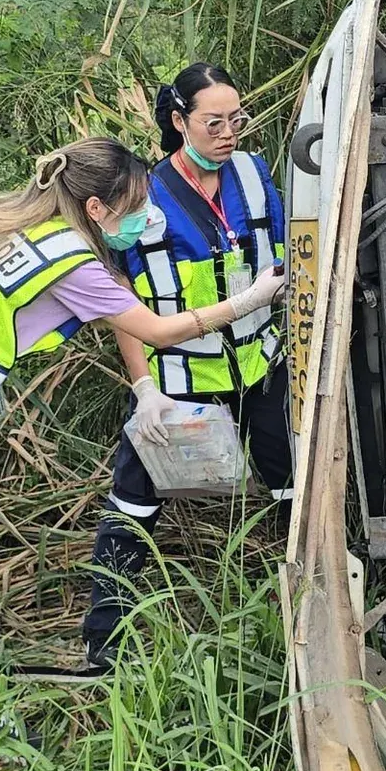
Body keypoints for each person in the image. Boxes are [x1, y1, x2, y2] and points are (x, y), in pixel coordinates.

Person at [0, 137, 285, 756]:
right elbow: (157, 329)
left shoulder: (5, 223)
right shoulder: (71, 258)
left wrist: (144, 385)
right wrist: (248, 300)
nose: (144, 217)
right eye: (134, 205)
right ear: (99, 209)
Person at [80, 63, 294, 669]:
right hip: (178, 378)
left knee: (291, 491)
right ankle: (104, 650)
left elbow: (283, 256)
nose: (230, 132)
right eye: (213, 121)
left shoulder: (253, 173)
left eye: (237, 118)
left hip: (259, 367)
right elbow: (127, 303)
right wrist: (144, 387)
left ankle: (311, 611)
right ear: (179, 122)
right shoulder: (142, 195)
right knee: (133, 505)